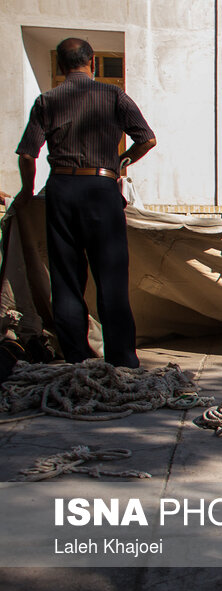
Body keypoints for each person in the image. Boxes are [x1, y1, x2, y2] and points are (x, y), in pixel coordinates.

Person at [15, 38, 156, 368]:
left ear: (61, 67)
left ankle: (77, 358)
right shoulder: (113, 95)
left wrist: (26, 191)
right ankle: (122, 359)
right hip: (102, 189)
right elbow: (147, 139)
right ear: (92, 63)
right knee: (112, 278)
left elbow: (27, 153)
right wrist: (122, 162)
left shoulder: (47, 100)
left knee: (66, 280)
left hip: (61, 189)